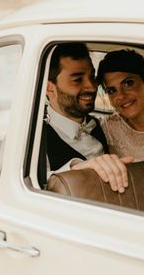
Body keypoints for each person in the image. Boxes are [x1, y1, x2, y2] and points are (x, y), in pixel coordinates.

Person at [41, 43, 131, 193]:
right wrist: (77, 169)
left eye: (91, 77)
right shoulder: (33, 137)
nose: (91, 86)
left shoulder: (103, 125)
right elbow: (34, 185)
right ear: (50, 88)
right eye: (77, 80)